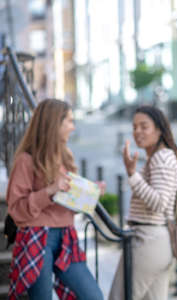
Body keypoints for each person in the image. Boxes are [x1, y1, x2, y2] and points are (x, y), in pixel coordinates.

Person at [6, 98, 104, 300]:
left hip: (67, 235)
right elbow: (16, 209)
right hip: (37, 236)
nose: (73, 127)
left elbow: (67, 204)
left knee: (93, 296)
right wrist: (49, 191)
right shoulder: (26, 160)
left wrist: (88, 193)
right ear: (53, 123)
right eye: (69, 121)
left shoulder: (64, 156)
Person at [109, 105, 177, 300]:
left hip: (148, 241)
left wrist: (132, 175)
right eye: (134, 126)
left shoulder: (161, 158)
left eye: (144, 126)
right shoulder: (158, 156)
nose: (137, 131)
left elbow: (160, 203)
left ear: (159, 129)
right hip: (156, 242)